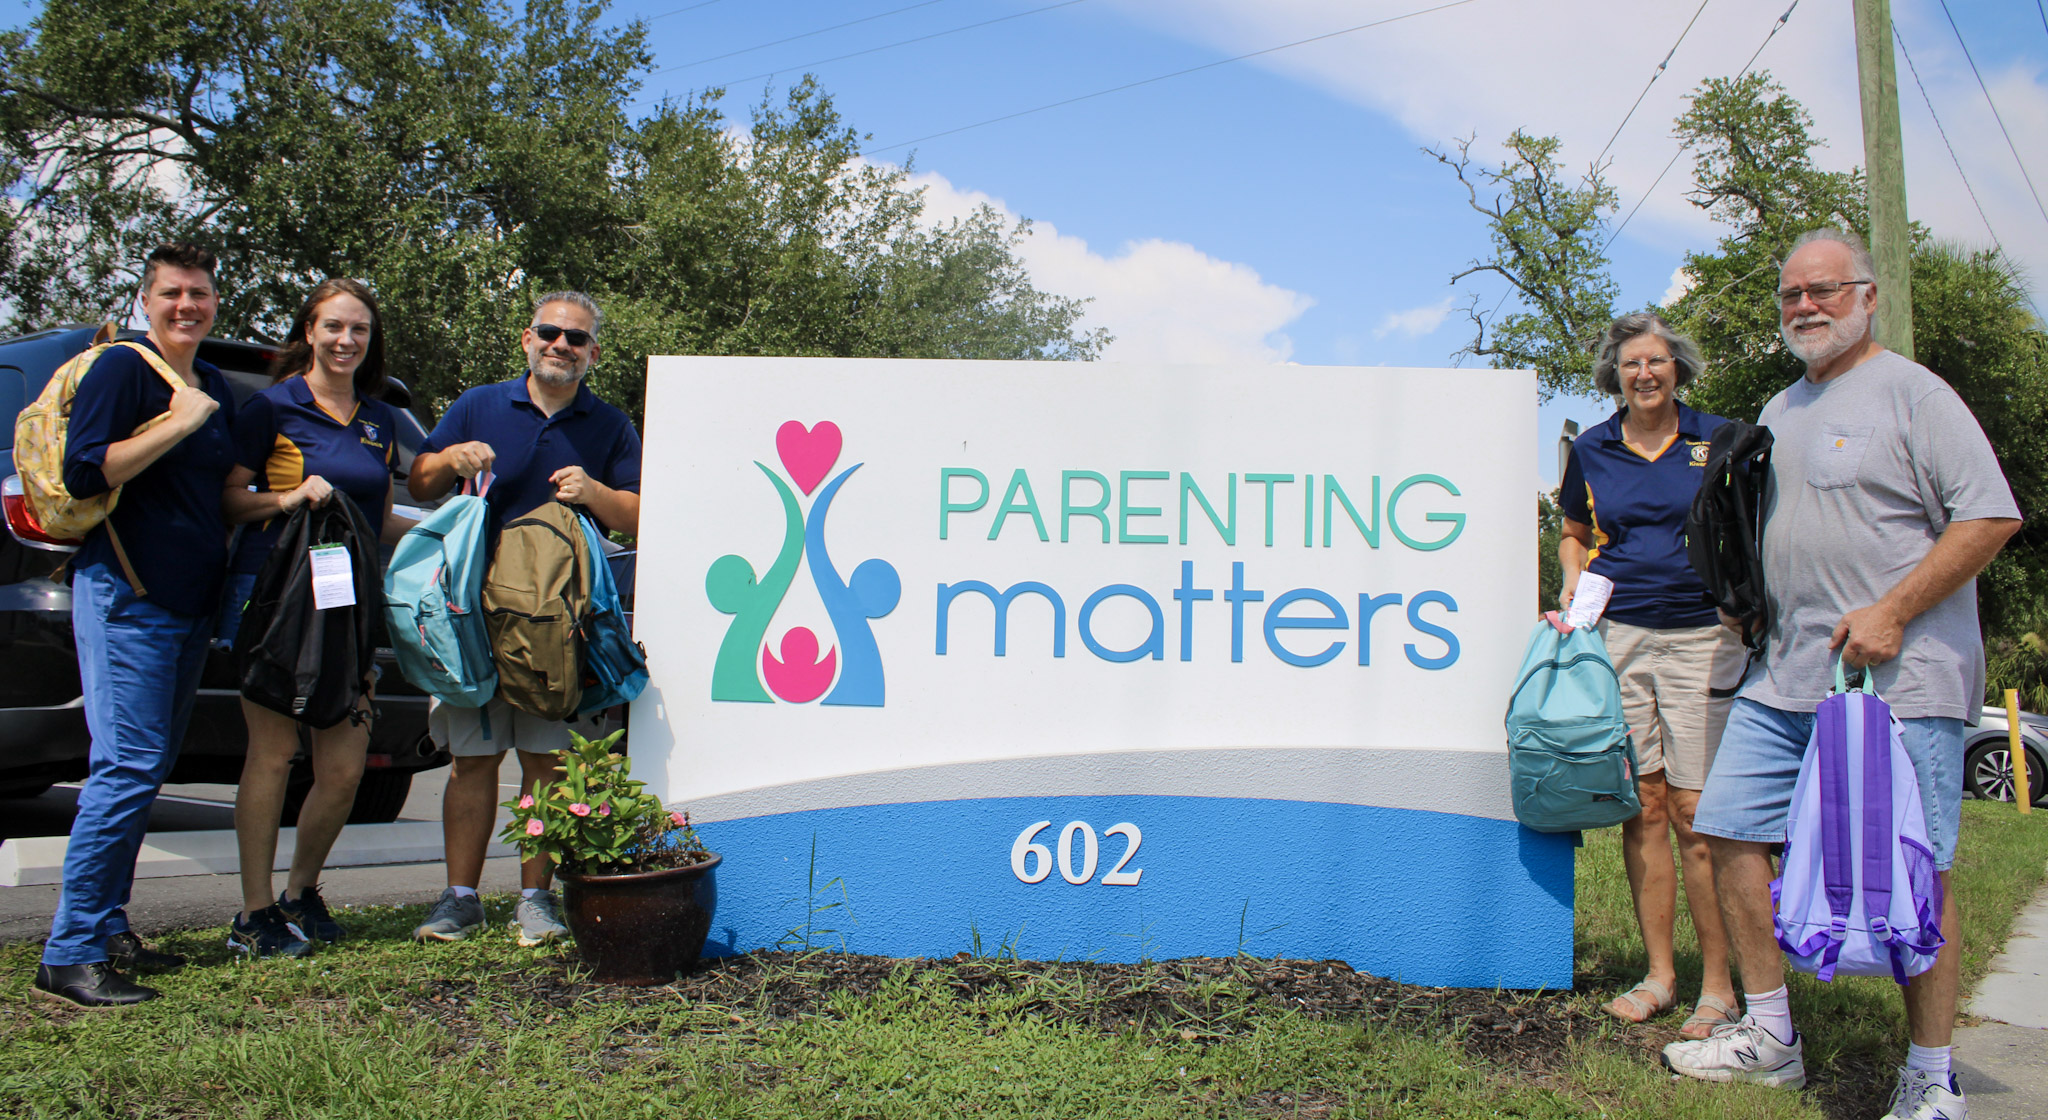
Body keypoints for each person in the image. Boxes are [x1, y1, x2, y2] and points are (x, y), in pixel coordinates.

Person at [1662, 229, 2020, 1120]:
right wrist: (1746, 596)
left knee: (1917, 870)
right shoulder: (1781, 408)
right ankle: (1772, 1034)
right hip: (1782, 676)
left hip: (1899, 688)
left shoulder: (1915, 394)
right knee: (1732, 832)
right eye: (1791, 294)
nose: (1805, 307)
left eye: (1824, 290)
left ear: (1867, 297)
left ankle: (1931, 1078)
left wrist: (1893, 611)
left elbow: (1989, 516)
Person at [33, 243, 239, 1008]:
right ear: (145, 301)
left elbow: (224, 492)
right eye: (173, 294)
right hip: (126, 594)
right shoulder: (125, 369)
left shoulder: (212, 381)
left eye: (201, 294)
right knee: (123, 770)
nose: (188, 305)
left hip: (189, 605)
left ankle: (110, 929)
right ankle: (70, 950)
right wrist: (177, 423)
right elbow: (88, 471)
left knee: (145, 769)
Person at [404, 291, 641, 947]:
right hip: (471, 621)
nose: (561, 345)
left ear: (593, 352)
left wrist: (595, 494)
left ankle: (534, 901)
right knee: (472, 762)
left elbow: (642, 514)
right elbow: (419, 479)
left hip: (556, 630)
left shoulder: (609, 426)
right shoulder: (479, 405)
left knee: (546, 764)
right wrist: (450, 461)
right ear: (526, 339)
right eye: (549, 332)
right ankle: (459, 899)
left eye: (575, 338)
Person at [216, 279, 416, 958]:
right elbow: (231, 500)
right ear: (309, 331)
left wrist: (447, 535)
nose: (346, 341)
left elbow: (380, 517)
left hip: (348, 606)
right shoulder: (273, 406)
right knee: (273, 756)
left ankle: (301, 891)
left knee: (344, 766)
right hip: (280, 605)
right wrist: (288, 496)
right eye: (334, 327)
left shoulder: (380, 419)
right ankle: (253, 912)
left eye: (359, 330)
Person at [1559, 312, 1744, 1041]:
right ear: (1614, 373)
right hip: (1621, 636)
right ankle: (1661, 975)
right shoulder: (1593, 449)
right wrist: (1571, 587)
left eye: (1658, 362)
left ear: (1678, 368)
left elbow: (1752, 526)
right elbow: (1575, 534)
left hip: (1705, 635)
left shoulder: (1717, 438)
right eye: (1632, 363)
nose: (1645, 374)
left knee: (1701, 814)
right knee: (1645, 806)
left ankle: (1722, 988)